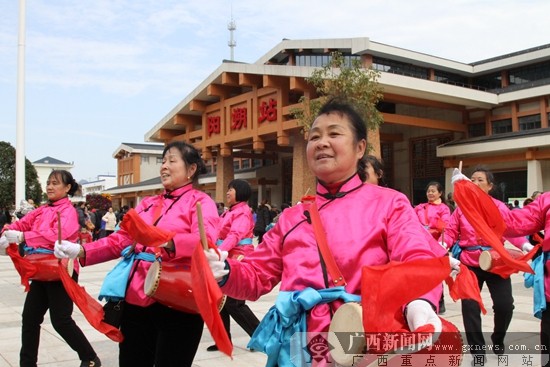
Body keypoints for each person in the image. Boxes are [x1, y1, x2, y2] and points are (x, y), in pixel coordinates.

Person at [205, 99, 452, 366]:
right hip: (300, 347)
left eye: (334, 133)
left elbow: (414, 255)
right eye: (314, 136)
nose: (321, 142)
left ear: (360, 148)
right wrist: (225, 271)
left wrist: (419, 302)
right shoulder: (291, 218)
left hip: (363, 339)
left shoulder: (389, 203)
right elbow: (257, 276)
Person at [54, 141, 219, 367]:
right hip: (137, 297)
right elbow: (121, 239)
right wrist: (81, 249)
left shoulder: (201, 202)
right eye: (163, 161)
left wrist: (168, 241)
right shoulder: (148, 203)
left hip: (179, 297)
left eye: (172, 161)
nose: (164, 167)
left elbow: (206, 240)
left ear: (191, 170)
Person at [0, 170, 101, 367]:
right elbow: (22, 223)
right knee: (30, 318)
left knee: (61, 320)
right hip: (40, 269)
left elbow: (56, 234)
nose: (50, 187)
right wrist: (7, 231)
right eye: (48, 182)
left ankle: (89, 357)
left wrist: (24, 237)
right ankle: (27, 363)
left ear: (67, 188)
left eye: (55, 183)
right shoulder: (41, 210)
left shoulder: (68, 212)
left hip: (61, 271)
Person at [445, 165, 530, 363]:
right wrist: (442, 244)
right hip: (469, 264)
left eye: (480, 180)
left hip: (496, 263)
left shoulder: (499, 207)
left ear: (490, 186)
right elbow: (450, 232)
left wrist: (525, 244)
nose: (474, 183)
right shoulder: (461, 209)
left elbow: (510, 230)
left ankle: (498, 339)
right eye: (471, 179)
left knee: (504, 306)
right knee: (470, 306)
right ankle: (478, 352)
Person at [206, 179, 260, 352]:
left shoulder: (243, 212)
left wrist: (218, 252)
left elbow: (235, 235)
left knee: (235, 304)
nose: (228, 192)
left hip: (239, 258)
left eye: (231, 189)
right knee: (219, 301)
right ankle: (223, 340)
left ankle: (262, 338)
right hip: (226, 257)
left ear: (240, 192)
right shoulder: (229, 212)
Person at [415, 181, 451, 314]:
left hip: (435, 243)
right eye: (428, 191)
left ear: (440, 193)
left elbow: (446, 225)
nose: (430, 193)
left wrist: (436, 227)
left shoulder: (443, 208)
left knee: (436, 272)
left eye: (433, 191)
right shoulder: (420, 207)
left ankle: (439, 300)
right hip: (421, 242)